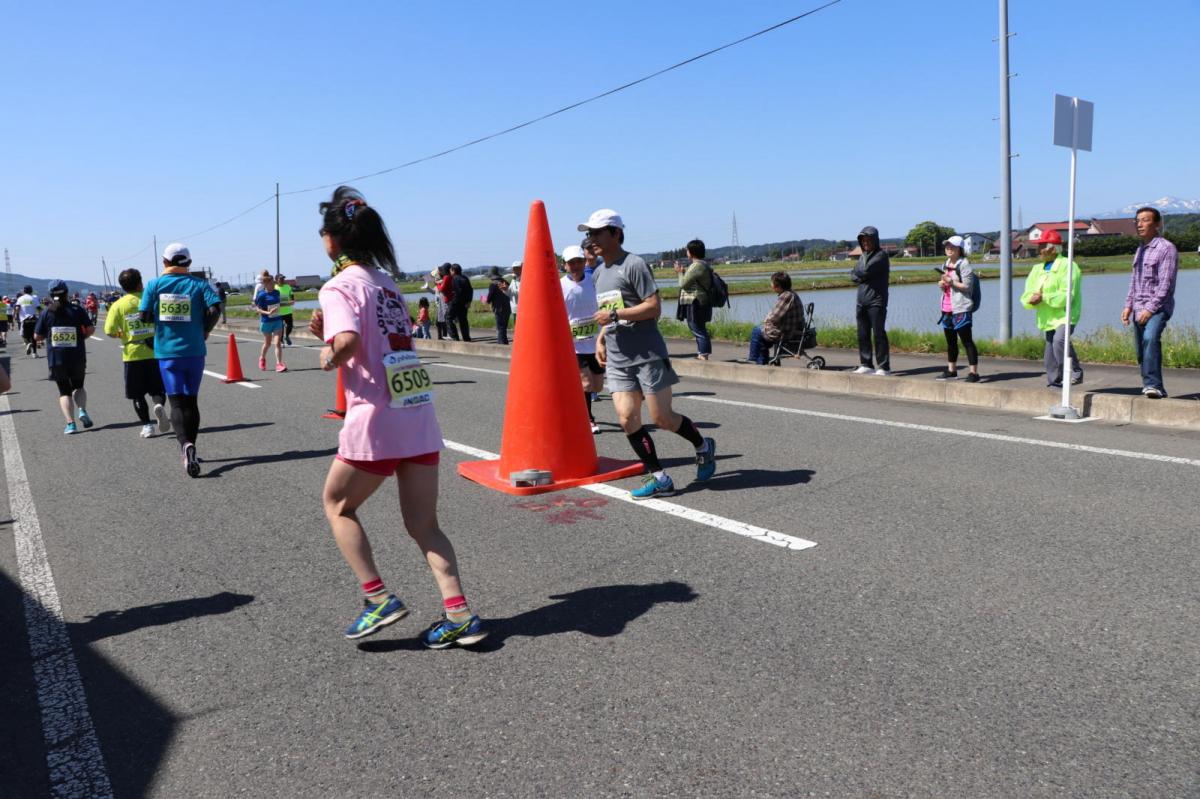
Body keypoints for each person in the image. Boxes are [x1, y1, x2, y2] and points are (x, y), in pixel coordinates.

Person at [309, 186, 487, 647]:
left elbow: (347, 343)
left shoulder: (338, 286)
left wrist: (326, 355)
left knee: (338, 505)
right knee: (424, 525)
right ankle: (459, 614)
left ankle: (377, 598)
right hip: (417, 412)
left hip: (377, 417)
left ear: (332, 239)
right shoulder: (387, 283)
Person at [581, 208, 716, 499]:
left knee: (663, 418)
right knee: (627, 418)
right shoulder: (598, 274)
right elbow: (608, 313)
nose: (591, 239)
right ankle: (659, 478)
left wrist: (615, 317)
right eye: (588, 233)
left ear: (615, 233)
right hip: (618, 358)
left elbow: (653, 308)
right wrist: (602, 338)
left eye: (596, 232)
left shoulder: (634, 265)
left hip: (647, 354)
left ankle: (703, 446)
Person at [140, 242, 223, 477]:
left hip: (167, 353)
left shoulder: (154, 285)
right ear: (188, 263)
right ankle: (192, 446)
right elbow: (215, 308)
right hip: (195, 351)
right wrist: (204, 329)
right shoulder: (198, 284)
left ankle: (185, 445)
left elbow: (144, 316)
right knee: (191, 402)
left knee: (176, 403)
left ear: (165, 262)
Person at [104, 268, 170, 438]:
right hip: (156, 351)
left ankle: (147, 426)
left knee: (137, 394)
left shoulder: (118, 305)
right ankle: (159, 406)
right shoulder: (153, 300)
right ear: (140, 282)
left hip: (132, 354)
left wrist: (122, 334)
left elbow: (109, 331)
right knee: (158, 389)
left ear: (123, 287)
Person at [1121, 207, 1178, 399]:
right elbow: (1134, 280)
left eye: (1145, 220)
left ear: (1157, 224)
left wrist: (1150, 309)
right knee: (1141, 350)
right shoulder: (1140, 249)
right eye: (1137, 220)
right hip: (1137, 306)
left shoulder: (1166, 248)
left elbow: (1166, 284)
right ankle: (1151, 385)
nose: (1139, 224)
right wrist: (1128, 305)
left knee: (1150, 339)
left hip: (1158, 307)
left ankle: (1153, 385)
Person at [1020, 229, 1083, 388]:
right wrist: (1030, 300)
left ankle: (1074, 371)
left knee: (1059, 340)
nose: (1038, 250)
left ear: (1053, 248)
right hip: (1047, 317)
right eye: (1038, 245)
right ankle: (1054, 383)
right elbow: (1027, 293)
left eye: (1042, 246)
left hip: (1065, 314)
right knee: (1049, 354)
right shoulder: (1037, 269)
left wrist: (1044, 297)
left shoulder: (1069, 266)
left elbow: (1068, 295)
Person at [34, 281, 95, 434]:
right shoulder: (77, 309)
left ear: (50, 295)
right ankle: (82, 410)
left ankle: (71, 424)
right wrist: (81, 338)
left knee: (64, 391)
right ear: (67, 293)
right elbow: (90, 328)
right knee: (78, 386)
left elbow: (37, 336)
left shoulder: (47, 312)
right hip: (77, 355)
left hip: (57, 358)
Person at [561, 244, 604, 433]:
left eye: (579, 261)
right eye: (571, 263)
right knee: (586, 384)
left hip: (596, 342)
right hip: (575, 344)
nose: (576, 265)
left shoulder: (594, 281)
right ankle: (589, 419)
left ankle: (572, 402)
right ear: (565, 265)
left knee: (598, 386)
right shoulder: (560, 285)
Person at [935, 236, 980, 382]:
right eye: (947, 246)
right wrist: (942, 285)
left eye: (952, 246)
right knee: (950, 342)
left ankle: (973, 373)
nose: (948, 248)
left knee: (967, 341)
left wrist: (950, 281)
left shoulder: (964, 264)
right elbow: (948, 286)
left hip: (961, 307)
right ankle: (951, 370)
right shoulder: (946, 263)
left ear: (959, 249)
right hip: (947, 307)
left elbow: (967, 287)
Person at [850, 225, 891, 375]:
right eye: (863, 240)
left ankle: (884, 367)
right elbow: (853, 275)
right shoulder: (862, 256)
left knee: (878, 334)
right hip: (861, 300)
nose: (866, 243)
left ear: (875, 240)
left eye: (868, 240)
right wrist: (857, 273)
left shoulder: (881, 255)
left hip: (876, 301)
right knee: (862, 333)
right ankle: (866, 364)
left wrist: (858, 273)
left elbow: (863, 272)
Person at [746, 272, 804, 365]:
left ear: (778, 286)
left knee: (756, 331)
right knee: (762, 335)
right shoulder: (791, 293)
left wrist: (766, 320)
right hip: (791, 329)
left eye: (772, 283)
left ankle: (753, 359)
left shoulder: (786, 296)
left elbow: (774, 317)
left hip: (785, 332)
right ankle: (762, 361)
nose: (771, 285)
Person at [675, 239, 714, 360]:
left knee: (696, 328)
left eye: (687, 250)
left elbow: (683, 284)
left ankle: (703, 354)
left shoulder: (696, 266)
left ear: (691, 252)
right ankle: (701, 353)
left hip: (695, 301)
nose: (686, 251)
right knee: (699, 327)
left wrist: (679, 273)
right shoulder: (702, 265)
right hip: (701, 300)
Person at [254, 273, 287, 372]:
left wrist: (288, 303)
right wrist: (268, 312)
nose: (273, 284)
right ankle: (262, 358)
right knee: (267, 344)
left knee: (277, 343)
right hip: (266, 322)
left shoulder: (276, 292)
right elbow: (258, 309)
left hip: (277, 320)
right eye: (271, 283)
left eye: (273, 283)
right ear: (265, 284)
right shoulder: (261, 295)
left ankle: (279, 364)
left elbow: (279, 303)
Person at [483, 266, 512, 345]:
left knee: (500, 328)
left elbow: (489, 298)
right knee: (504, 327)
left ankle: (501, 345)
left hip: (498, 308)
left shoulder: (493, 284)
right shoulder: (505, 281)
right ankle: (505, 343)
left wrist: (485, 300)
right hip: (508, 307)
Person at [447, 263, 473, 342]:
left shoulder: (455, 278)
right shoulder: (465, 278)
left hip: (456, 302)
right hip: (465, 303)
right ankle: (466, 338)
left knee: (448, 317)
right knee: (463, 320)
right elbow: (470, 290)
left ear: (453, 271)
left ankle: (454, 337)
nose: (450, 272)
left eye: (451, 270)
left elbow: (458, 292)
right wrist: (469, 301)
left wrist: (452, 302)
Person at [16, 285, 40, 356]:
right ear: (31, 291)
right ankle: (34, 353)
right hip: (33, 319)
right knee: (33, 336)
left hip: (24, 320)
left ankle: (28, 343)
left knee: (24, 335)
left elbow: (17, 308)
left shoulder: (20, 298)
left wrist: (17, 314)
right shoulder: (33, 298)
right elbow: (39, 308)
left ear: (24, 291)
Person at [275, 273, 295, 346]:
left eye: (283, 278)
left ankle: (287, 336)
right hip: (278, 312)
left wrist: (292, 300)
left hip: (288, 311)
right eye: (280, 279)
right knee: (281, 327)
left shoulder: (288, 287)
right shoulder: (275, 288)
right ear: (276, 280)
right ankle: (281, 340)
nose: (282, 280)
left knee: (290, 325)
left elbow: (292, 296)